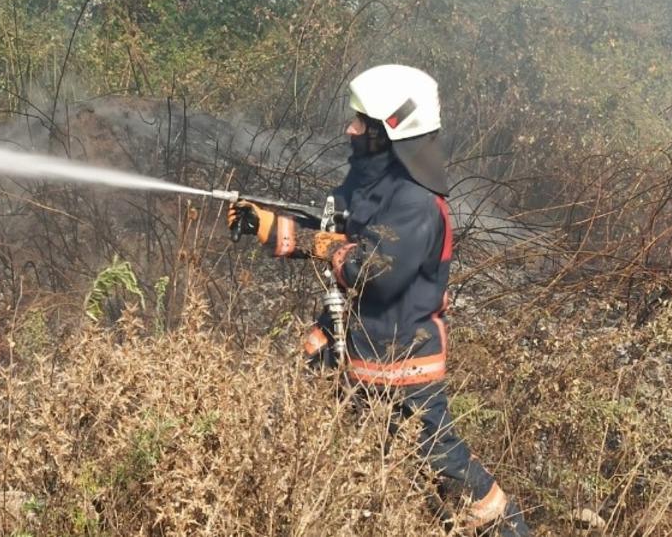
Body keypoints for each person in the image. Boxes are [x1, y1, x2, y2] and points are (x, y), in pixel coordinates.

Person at [227, 65, 530, 535]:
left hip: (401, 369)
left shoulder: (416, 202)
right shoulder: (374, 186)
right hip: (351, 357)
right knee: (298, 438)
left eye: (362, 123)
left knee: (444, 468)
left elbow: (371, 271)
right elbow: (330, 226)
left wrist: (324, 246)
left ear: (394, 130)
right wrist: (266, 223)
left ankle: (508, 531)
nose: (350, 129)